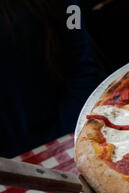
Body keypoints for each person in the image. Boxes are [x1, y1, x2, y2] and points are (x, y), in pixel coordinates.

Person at [0, 0, 104, 158]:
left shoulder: (68, 7)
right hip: (9, 156)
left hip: (69, 131)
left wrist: (70, 126)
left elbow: (82, 63)